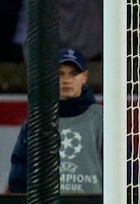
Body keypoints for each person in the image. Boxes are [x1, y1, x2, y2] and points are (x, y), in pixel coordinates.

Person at [7, 48, 103, 194]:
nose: (66, 80)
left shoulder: (101, 119)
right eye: (60, 73)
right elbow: (20, 175)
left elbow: (123, 171)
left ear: (84, 77)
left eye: (74, 73)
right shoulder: (37, 120)